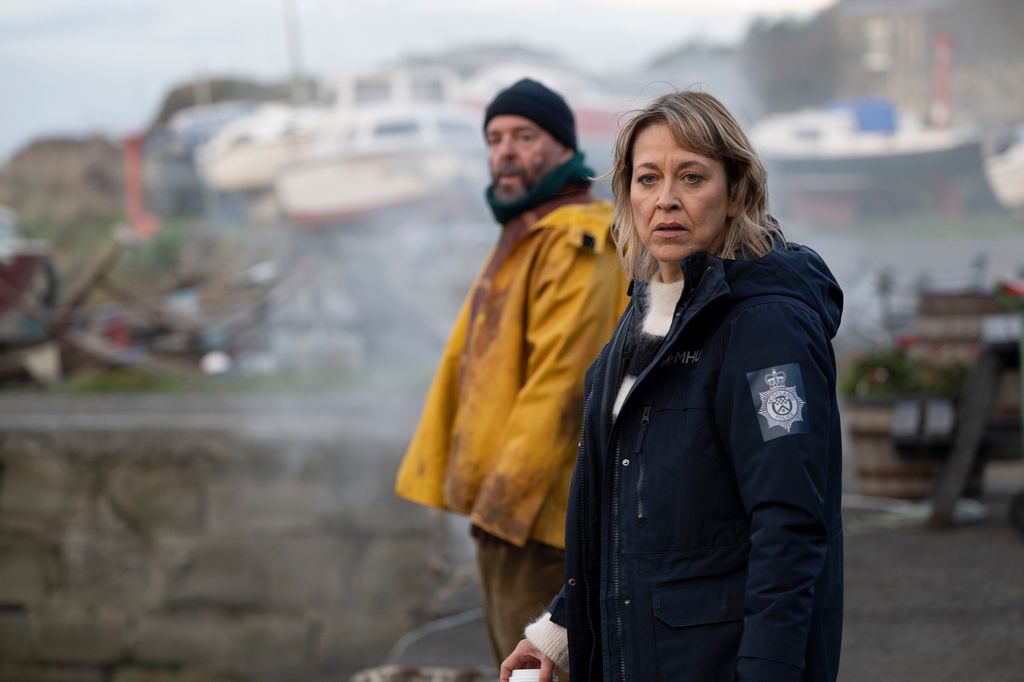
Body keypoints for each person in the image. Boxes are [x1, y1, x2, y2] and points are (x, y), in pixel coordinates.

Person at [501, 90, 844, 682]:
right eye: (647, 179)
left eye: (691, 177)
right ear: (626, 195)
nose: (666, 201)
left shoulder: (765, 328)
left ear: (736, 192)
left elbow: (790, 525)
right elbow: (630, 518)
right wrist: (559, 632)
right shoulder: (643, 319)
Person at [395, 78, 627, 676]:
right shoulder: (527, 233)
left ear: (563, 149)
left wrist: (502, 508)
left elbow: (562, 388)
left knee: (538, 668)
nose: (505, 151)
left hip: (542, 518)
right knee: (515, 665)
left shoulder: (579, 240)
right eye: (495, 138)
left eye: (524, 136)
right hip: (512, 512)